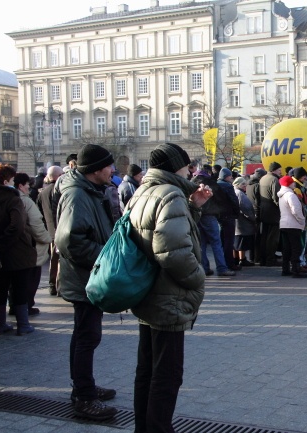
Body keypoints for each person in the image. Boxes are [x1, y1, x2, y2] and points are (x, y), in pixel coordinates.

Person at [126, 142, 211, 433]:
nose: (192, 170)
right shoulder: (171, 194)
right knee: (167, 374)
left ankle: (144, 427)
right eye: (188, 165)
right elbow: (171, 251)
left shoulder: (143, 191)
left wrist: (193, 208)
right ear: (176, 167)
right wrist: (198, 277)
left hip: (146, 290)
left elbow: (162, 232)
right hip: (168, 296)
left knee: (147, 369)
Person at [54, 144, 118, 420]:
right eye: (109, 166)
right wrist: (104, 258)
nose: (113, 170)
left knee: (84, 335)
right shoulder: (77, 195)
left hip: (88, 276)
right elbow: (69, 240)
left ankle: (84, 385)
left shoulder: (89, 191)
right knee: (86, 336)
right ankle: (83, 396)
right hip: (84, 278)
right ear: (95, 170)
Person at [0, 163, 38, 336]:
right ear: (6, 181)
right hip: (17, 251)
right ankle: (23, 324)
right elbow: (17, 225)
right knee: (20, 287)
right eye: (12, 180)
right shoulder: (12, 197)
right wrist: (3, 243)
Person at [13, 173, 52, 316]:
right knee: (30, 278)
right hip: (29, 246)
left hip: (13, 246)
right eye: (27, 185)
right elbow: (36, 224)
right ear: (21, 186)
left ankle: (15, 306)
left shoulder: (8, 198)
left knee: (14, 281)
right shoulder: (25, 201)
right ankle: (26, 306)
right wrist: (48, 238)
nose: (29, 188)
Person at [191, 165, 235, 277]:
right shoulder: (210, 182)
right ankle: (222, 268)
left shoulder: (191, 182)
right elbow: (220, 198)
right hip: (210, 215)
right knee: (216, 242)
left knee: (201, 243)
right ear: (208, 173)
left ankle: (205, 268)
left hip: (196, 214)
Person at [36, 165, 64, 296]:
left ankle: (52, 284)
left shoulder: (42, 192)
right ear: (58, 176)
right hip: (60, 230)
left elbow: (39, 212)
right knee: (60, 259)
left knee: (53, 259)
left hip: (50, 231)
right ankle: (59, 286)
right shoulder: (60, 191)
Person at [278, 175, 307, 278]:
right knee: (296, 248)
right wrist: (302, 220)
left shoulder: (281, 195)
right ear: (289, 184)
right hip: (293, 224)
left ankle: (285, 269)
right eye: (292, 182)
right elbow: (296, 210)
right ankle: (296, 270)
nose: (294, 183)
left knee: (287, 248)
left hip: (284, 224)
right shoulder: (291, 195)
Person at [259, 162, 283, 266]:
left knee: (264, 236)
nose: (280, 172)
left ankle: (263, 258)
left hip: (264, 210)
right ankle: (270, 259)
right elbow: (276, 197)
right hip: (273, 212)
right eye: (279, 170)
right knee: (272, 238)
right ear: (274, 170)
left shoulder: (263, 178)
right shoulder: (274, 180)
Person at [217, 167, 240, 271]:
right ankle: (230, 263)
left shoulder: (216, 184)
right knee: (229, 241)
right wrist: (237, 213)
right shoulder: (227, 186)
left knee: (220, 241)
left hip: (218, 215)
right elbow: (234, 201)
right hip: (228, 215)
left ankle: (221, 263)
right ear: (227, 176)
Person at [233, 176, 256, 267]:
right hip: (242, 223)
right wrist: (253, 218)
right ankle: (242, 259)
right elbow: (246, 209)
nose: (245, 186)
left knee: (235, 243)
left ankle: (236, 258)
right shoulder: (240, 194)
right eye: (243, 184)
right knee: (241, 243)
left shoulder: (234, 192)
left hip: (236, 222)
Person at [246, 168, 266, 264]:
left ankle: (252, 256)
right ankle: (257, 257)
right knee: (258, 237)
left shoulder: (248, 185)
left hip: (251, 212)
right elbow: (258, 201)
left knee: (253, 236)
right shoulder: (258, 186)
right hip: (257, 213)